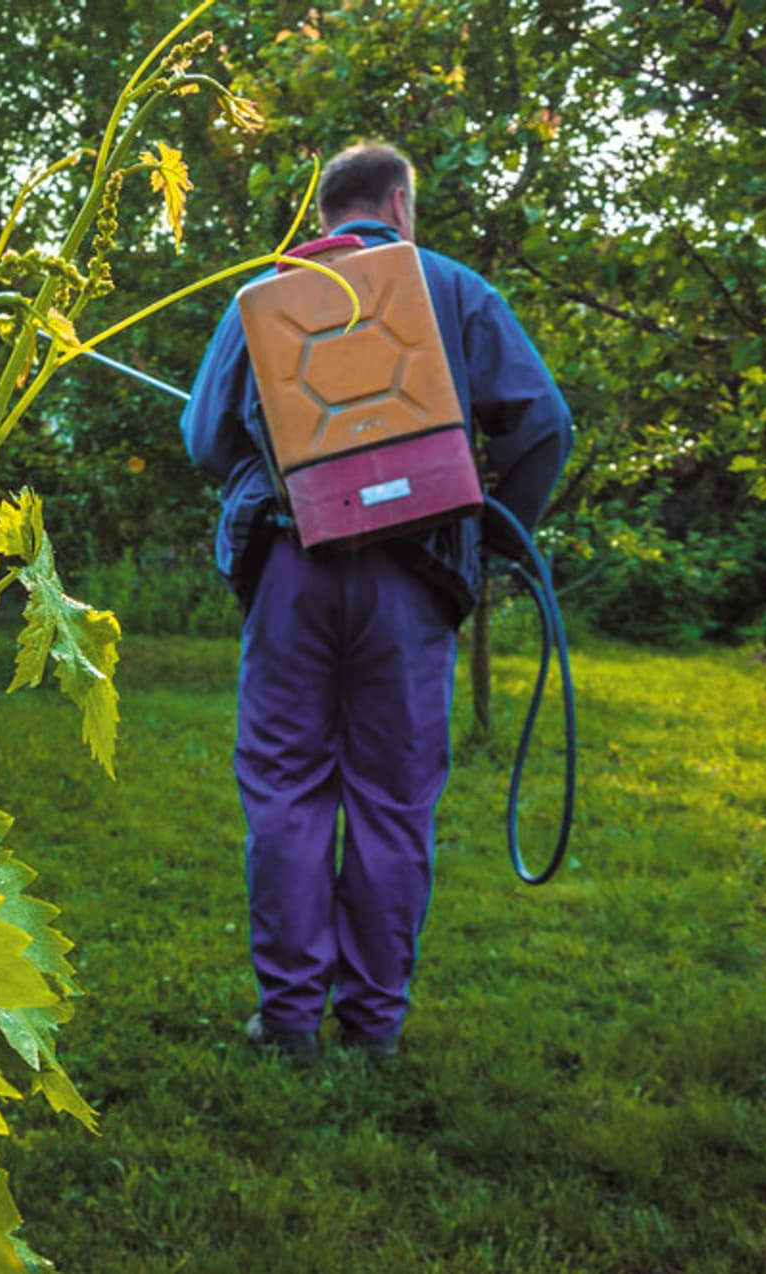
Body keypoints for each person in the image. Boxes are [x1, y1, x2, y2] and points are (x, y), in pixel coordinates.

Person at [179, 142, 572, 1060]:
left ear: (324, 214)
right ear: (400, 204)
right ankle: (373, 1027)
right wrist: (494, 525)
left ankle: (287, 1023)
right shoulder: (453, 288)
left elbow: (205, 437)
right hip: (415, 579)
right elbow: (544, 421)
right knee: (394, 803)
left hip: (293, 569)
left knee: (285, 792)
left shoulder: (263, 298)